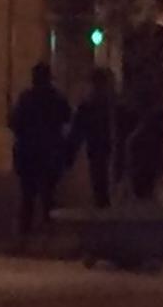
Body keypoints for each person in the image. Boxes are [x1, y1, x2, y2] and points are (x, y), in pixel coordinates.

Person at [10, 63, 72, 238]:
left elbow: (14, 122)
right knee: (48, 196)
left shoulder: (26, 99)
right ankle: (48, 234)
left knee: (28, 197)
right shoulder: (56, 98)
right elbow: (66, 118)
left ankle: (26, 234)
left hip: (28, 153)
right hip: (49, 153)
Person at [66, 68, 120, 210]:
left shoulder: (92, 103)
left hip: (98, 143)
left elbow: (79, 127)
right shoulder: (109, 102)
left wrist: (71, 149)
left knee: (99, 171)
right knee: (101, 171)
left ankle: (103, 200)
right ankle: (104, 200)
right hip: (102, 143)